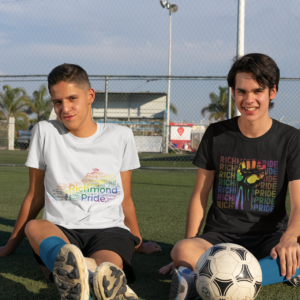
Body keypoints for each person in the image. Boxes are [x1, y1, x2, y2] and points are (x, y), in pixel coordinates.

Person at [0, 63, 161, 300]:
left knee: (107, 267)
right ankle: (87, 277)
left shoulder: (121, 136)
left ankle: (84, 278)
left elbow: (125, 199)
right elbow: (35, 196)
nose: (65, 108)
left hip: (109, 230)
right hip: (60, 229)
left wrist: (138, 243)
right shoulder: (45, 132)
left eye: (72, 98)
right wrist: (10, 246)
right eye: (57, 102)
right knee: (34, 227)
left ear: (90, 96)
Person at [159, 53, 300, 300]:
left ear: (272, 92)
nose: (249, 99)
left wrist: (288, 239)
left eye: (257, 91)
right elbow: (199, 196)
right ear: (233, 92)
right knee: (182, 249)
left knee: (296, 252)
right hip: (219, 238)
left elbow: (299, 203)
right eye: (242, 91)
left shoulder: (291, 139)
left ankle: (200, 278)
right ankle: (269, 273)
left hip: (269, 237)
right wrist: (187, 249)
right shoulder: (216, 134)